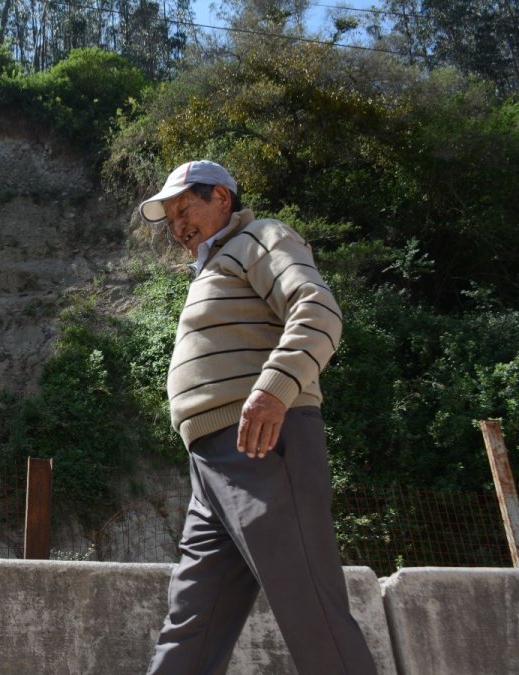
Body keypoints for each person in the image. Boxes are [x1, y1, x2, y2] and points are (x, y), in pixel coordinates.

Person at [139, 160, 377, 674]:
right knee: (192, 624)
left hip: (261, 441)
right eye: (171, 218)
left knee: (309, 606)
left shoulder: (260, 238)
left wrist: (274, 389)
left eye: (186, 208)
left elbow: (318, 310)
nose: (178, 226)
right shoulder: (215, 263)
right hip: (211, 463)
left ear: (222, 197)